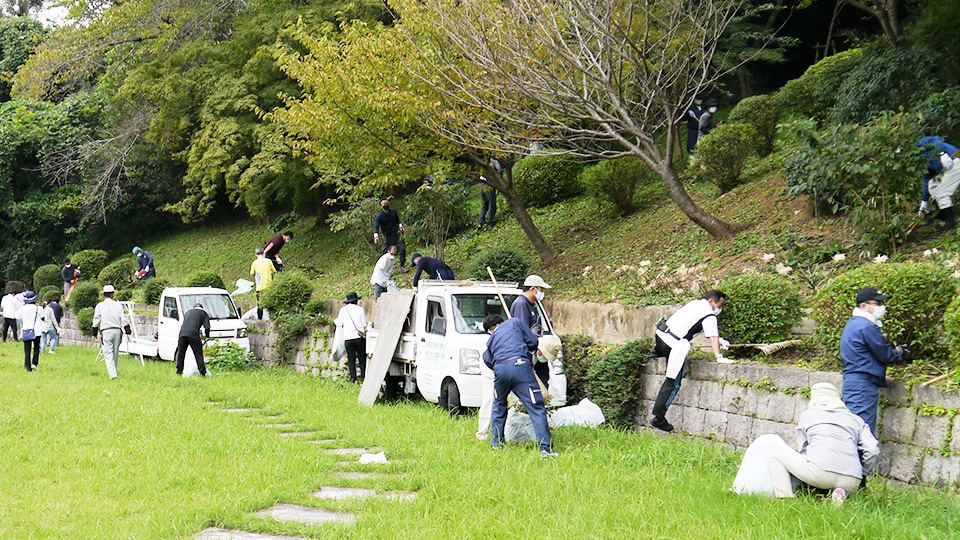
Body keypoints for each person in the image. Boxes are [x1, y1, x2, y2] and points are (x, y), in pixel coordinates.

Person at [766, 383, 880, 503]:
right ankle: (839, 493)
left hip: (820, 474)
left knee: (776, 453)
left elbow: (804, 448)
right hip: (852, 480)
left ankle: (785, 498)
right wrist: (862, 473)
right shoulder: (856, 420)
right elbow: (872, 450)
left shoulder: (808, 415)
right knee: (840, 482)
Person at [650, 290, 734, 432]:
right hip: (674, 345)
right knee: (673, 382)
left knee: (667, 353)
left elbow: (695, 327)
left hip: (661, 336)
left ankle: (655, 352)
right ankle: (659, 418)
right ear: (711, 301)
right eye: (720, 304)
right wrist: (719, 357)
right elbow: (712, 336)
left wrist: (720, 341)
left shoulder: (694, 304)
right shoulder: (709, 313)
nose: (720, 309)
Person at [483, 314, 559, 457]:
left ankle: (497, 444)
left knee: (499, 406)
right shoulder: (515, 322)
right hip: (520, 366)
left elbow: (486, 359)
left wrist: (501, 366)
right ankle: (546, 449)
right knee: (536, 408)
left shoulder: (493, 337)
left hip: (500, 370)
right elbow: (532, 342)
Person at [840, 286, 904, 434]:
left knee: (853, 430)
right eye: (878, 304)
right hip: (863, 385)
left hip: (853, 383)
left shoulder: (853, 324)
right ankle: (859, 458)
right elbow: (885, 354)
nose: (883, 307)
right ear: (863, 306)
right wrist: (899, 352)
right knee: (863, 434)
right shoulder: (867, 326)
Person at [511, 275, 551, 386]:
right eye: (541, 289)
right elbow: (523, 331)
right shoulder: (521, 304)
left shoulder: (530, 304)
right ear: (533, 289)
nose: (542, 293)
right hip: (527, 352)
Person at [92, 285, 131, 380]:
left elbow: (96, 320)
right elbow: (123, 318)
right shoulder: (118, 305)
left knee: (108, 353)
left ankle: (113, 375)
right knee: (115, 353)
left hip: (106, 331)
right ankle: (114, 372)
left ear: (103, 295)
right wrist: (127, 330)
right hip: (117, 330)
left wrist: (94, 333)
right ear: (112, 294)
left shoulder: (99, 306)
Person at [916, 136, 959, 216]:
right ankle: (943, 212)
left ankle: (949, 219)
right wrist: (924, 202)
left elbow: (935, 139)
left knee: (941, 191)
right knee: (933, 185)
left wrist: (942, 154)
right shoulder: (920, 161)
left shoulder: (918, 145)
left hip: (955, 159)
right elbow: (927, 180)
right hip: (948, 169)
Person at [336, 291, 367, 383]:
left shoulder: (343, 310)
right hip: (359, 338)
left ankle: (353, 379)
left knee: (351, 360)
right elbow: (363, 324)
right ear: (356, 301)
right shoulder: (360, 309)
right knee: (362, 359)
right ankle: (364, 377)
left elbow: (339, 323)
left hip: (348, 338)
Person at [175, 303, 211, 377]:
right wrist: (207, 336)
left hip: (182, 333)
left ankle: (179, 371)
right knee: (198, 354)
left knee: (181, 353)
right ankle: (202, 372)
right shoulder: (204, 314)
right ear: (202, 308)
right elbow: (207, 327)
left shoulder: (188, 312)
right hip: (193, 334)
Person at [373, 199, 407, 272]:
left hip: (396, 234)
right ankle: (381, 270)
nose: (386, 205)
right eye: (384, 204)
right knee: (384, 254)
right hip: (387, 237)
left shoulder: (393, 211)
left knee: (402, 249)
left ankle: (402, 266)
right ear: (381, 206)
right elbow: (376, 226)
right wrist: (376, 236)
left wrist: (401, 226)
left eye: (387, 203)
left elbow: (398, 220)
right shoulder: (379, 216)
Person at [16, 291, 42, 372]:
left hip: (26, 330)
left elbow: (16, 316)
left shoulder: (23, 309)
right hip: (36, 331)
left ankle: (28, 367)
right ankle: (34, 363)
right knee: (36, 348)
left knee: (27, 350)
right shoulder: (38, 308)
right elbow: (43, 316)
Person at [250, 246, 276, 319]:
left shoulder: (254, 263)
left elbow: (252, 273)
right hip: (269, 285)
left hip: (259, 286)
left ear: (256, 254)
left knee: (260, 304)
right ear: (264, 253)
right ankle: (272, 318)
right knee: (271, 303)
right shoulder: (269, 261)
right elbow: (274, 271)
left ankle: (260, 319)